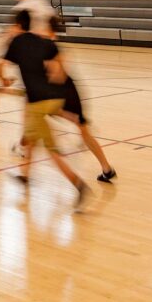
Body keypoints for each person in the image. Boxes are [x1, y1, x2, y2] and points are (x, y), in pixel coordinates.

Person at [3, 9, 91, 210]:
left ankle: (78, 185)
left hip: (37, 102)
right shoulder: (41, 41)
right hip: (53, 97)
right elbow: (58, 71)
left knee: (52, 150)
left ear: (16, 26)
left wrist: (6, 81)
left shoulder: (16, 42)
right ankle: (24, 176)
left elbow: (1, 68)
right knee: (31, 137)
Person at [46, 15, 117, 184]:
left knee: (42, 114)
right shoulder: (52, 45)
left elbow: (58, 75)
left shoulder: (49, 47)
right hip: (71, 91)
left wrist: (44, 81)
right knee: (83, 130)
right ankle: (107, 169)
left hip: (64, 93)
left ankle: (51, 149)